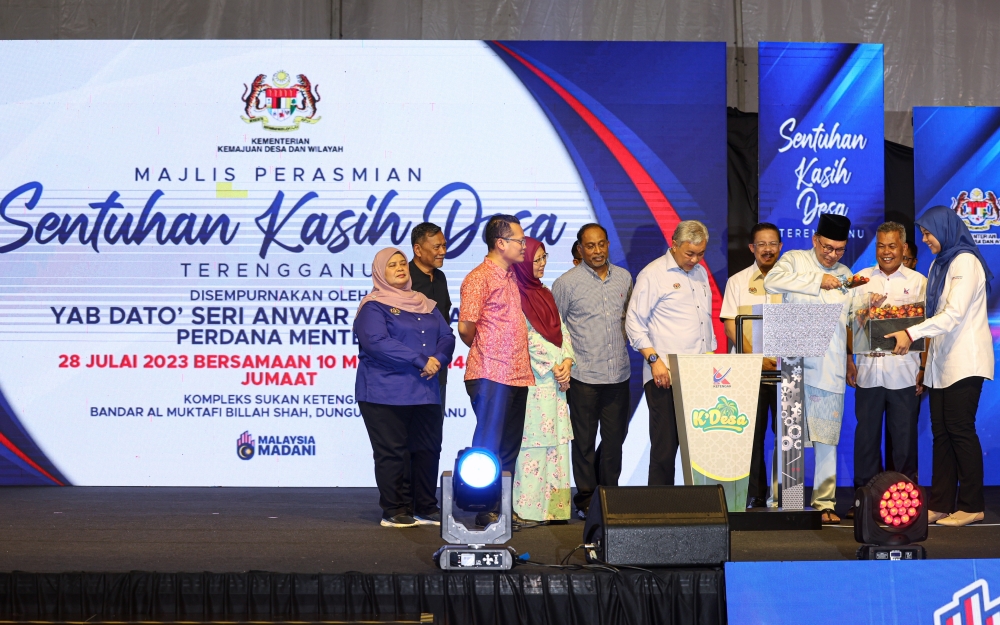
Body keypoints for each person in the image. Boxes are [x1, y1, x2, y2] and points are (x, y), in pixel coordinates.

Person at [886, 206, 994, 527]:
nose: (924, 240)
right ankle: (942, 503)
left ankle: (972, 505)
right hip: (941, 363)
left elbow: (953, 315)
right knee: (941, 434)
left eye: (927, 233)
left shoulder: (965, 261)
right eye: (922, 234)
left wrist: (910, 333)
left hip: (965, 361)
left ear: (944, 229)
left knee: (960, 430)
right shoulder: (939, 263)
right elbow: (932, 315)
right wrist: (925, 366)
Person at [354, 248, 456, 528]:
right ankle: (395, 509)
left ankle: (425, 506)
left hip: (425, 389)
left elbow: (446, 336)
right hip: (384, 391)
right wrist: (420, 359)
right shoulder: (373, 306)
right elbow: (376, 342)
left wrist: (438, 359)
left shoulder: (425, 302)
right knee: (393, 452)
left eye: (402, 263)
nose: (400, 268)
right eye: (392, 265)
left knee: (427, 449)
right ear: (379, 272)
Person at [763, 213, 853, 524]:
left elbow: (850, 319)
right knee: (790, 436)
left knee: (827, 438)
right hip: (794, 364)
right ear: (815, 240)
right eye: (827, 247)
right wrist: (817, 281)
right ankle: (785, 502)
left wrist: (867, 308)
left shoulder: (846, 275)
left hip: (830, 366)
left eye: (839, 249)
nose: (832, 255)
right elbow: (771, 281)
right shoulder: (795, 260)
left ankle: (824, 502)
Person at [626, 220, 716, 486]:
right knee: (665, 446)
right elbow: (634, 322)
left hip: (699, 372)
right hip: (665, 373)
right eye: (690, 253)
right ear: (674, 244)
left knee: (700, 444)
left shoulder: (700, 273)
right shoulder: (653, 274)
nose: (695, 259)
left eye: (701, 253)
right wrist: (654, 361)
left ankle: (696, 501)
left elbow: (704, 322)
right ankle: (660, 503)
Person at [846, 222, 926, 518]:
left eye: (892, 246)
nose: (886, 252)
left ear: (903, 248)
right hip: (868, 371)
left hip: (905, 372)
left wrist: (924, 367)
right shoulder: (861, 279)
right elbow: (848, 323)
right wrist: (849, 359)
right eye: (881, 246)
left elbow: (928, 327)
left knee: (904, 441)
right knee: (866, 439)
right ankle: (864, 502)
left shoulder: (919, 281)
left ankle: (905, 502)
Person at [458, 214, 535, 526]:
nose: (524, 245)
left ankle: (503, 509)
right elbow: (466, 328)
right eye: (520, 240)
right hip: (490, 375)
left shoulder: (513, 276)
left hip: (518, 375)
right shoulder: (478, 278)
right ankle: (484, 508)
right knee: (490, 447)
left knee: (510, 448)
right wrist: (490, 352)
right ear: (500, 243)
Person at [552, 223, 632, 519]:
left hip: (618, 374)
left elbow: (630, 319)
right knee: (584, 443)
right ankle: (586, 498)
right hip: (583, 375)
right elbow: (555, 330)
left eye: (601, 244)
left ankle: (608, 494)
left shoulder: (624, 277)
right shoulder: (566, 283)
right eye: (590, 246)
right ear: (580, 249)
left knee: (614, 441)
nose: (597, 251)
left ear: (608, 244)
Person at [511, 238, 575, 522]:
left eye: (544, 257)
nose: (542, 264)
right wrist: (553, 365)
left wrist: (567, 362)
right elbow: (523, 338)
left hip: (556, 385)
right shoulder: (514, 294)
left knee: (557, 445)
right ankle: (528, 509)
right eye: (536, 260)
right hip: (533, 383)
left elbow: (562, 331)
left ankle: (555, 510)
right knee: (533, 446)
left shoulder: (545, 292)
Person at [720, 222, 783, 508]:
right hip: (749, 371)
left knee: (786, 434)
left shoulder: (793, 281)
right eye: (762, 244)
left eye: (772, 244)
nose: (767, 249)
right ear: (752, 248)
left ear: (781, 247)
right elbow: (730, 325)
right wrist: (757, 358)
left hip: (786, 371)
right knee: (752, 435)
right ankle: (756, 494)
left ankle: (784, 494)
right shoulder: (737, 281)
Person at [409, 222, 452, 414]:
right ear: (418, 249)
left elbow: (445, 325)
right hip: (410, 374)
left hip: (438, 371)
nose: (443, 251)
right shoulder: (403, 280)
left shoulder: (441, 278)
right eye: (436, 247)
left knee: (435, 429)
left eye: (444, 245)